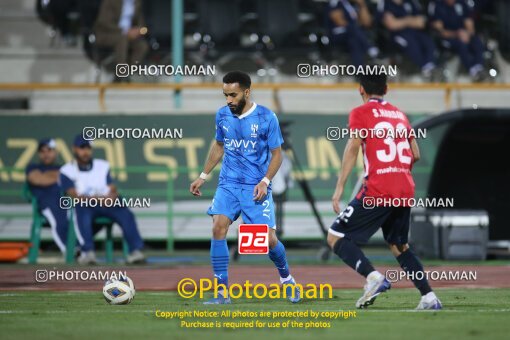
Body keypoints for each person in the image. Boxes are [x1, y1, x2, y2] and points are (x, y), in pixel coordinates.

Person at [328, 74, 442, 310]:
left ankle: (373, 278)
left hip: (380, 188)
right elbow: (416, 154)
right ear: (386, 89)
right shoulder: (400, 115)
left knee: (335, 236)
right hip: (404, 187)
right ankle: (429, 297)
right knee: (399, 246)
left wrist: (339, 187)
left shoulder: (360, 113)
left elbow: (352, 147)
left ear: (361, 89)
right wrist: (398, 171)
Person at [189, 71, 301, 304]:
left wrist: (265, 181)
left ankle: (287, 279)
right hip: (228, 184)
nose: (228, 100)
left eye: (233, 95)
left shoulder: (266, 117)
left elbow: (277, 155)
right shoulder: (222, 115)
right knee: (218, 227)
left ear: (247, 92)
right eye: (225, 95)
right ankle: (222, 293)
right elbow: (219, 146)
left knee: (268, 241)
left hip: (255, 188)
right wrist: (203, 175)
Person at [59, 135, 145, 264]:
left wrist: (112, 196)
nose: (85, 152)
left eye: (88, 148)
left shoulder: (102, 165)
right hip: (86, 205)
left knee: (126, 213)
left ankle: (135, 251)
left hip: (106, 202)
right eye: (82, 148)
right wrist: (98, 199)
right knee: (80, 209)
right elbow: (74, 195)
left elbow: (112, 188)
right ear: (75, 149)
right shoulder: (67, 170)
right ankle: (87, 252)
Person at [26, 138, 68, 254]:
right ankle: (69, 250)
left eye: (49, 150)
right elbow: (38, 180)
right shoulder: (33, 167)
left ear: (55, 152)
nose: (46, 154)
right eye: (42, 151)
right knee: (58, 216)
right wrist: (57, 177)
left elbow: (72, 181)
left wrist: (48, 175)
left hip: (64, 201)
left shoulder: (62, 168)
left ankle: (80, 246)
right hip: (45, 203)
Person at [378, 0, 439, 79]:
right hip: (396, 35)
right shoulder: (386, 3)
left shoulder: (410, 2)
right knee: (410, 45)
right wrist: (409, 20)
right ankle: (423, 69)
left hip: (414, 32)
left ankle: (429, 67)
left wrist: (401, 21)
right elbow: (391, 25)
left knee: (429, 42)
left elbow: (420, 22)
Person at [428, 0, 486, 81]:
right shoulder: (437, 5)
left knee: (477, 41)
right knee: (462, 45)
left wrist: (467, 34)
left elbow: (470, 25)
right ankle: (472, 70)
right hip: (448, 37)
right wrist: (457, 34)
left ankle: (479, 67)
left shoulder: (462, 3)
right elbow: (440, 31)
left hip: (464, 35)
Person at [93, 0, 148, 81]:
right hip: (108, 33)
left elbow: (142, 24)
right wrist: (125, 31)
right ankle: (121, 73)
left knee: (142, 46)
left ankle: (129, 71)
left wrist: (139, 30)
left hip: (128, 36)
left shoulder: (137, 3)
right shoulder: (110, 2)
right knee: (122, 40)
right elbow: (104, 22)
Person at [327, 0, 380, 67]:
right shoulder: (335, 2)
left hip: (352, 35)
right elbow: (339, 21)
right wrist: (355, 27)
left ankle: (359, 70)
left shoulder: (351, 4)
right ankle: (369, 47)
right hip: (337, 33)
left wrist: (362, 5)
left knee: (354, 41)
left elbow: (367, 23)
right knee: (353, 30)